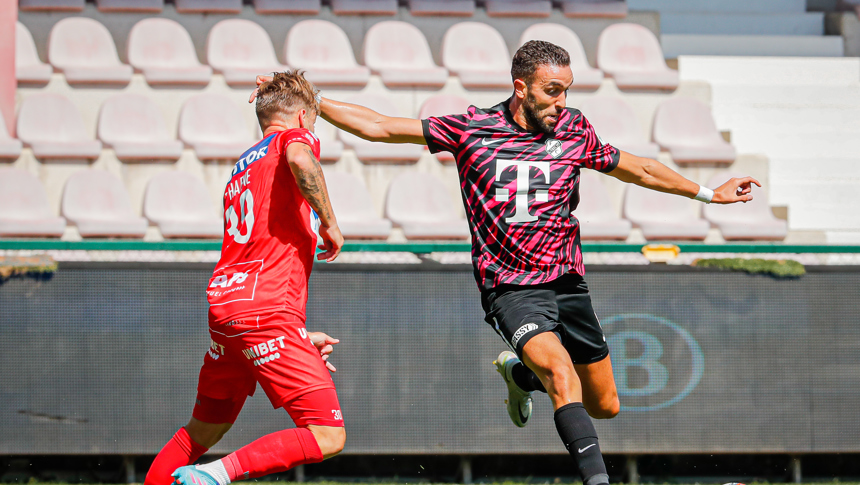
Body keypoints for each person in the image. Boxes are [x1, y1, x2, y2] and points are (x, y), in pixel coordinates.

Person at [252, 40, 759, 485]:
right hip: (511, 288)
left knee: (604, 403)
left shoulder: (575, 130)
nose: (562, 102)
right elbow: (382, 127)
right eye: (552, 90)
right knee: (562, 374)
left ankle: (519, 376)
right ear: (521, 87)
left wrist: (711, 194)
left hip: (568, 283)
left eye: (567, 90)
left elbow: (639, 168)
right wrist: (308, 100)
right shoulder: (474, 128)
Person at [143, 71, 346, 485]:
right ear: (304, 116)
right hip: (267, 312)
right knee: (328, 435)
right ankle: (213, 476)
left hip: (228, 311)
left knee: (201, 431)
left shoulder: (243, 165)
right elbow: (301, 159)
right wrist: (330, 222)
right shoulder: (294, 139)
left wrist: (299, 337)